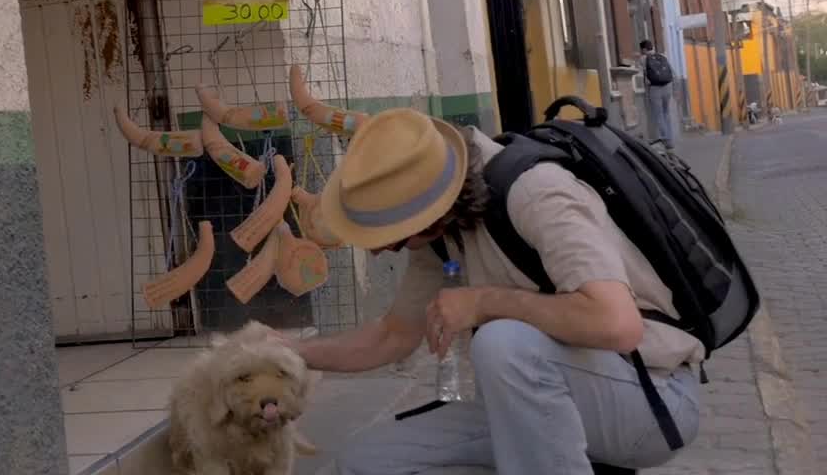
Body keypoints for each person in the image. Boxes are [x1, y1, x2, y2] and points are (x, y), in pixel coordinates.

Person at [290, 108, 701, 474]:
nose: (381, 252)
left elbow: (617, 324)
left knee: (502, 341)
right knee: (366, 462)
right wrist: (287, 352)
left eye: (392, 240)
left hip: (650, 400)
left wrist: (484, 303)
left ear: (428, 217)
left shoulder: (537, 192)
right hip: (534, 404)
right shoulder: (442, 230)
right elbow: (393, 335)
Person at [640, 39, 676, 150]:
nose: (642, 52)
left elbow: (643, 74)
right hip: (667, 87)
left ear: (644, 49)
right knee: (666, 113)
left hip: (655, 88)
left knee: (659, 114)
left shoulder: (644, 58)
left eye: (642, 50)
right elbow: (672, 72)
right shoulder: (662, 56)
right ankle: (671, 137)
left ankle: (666, 140)